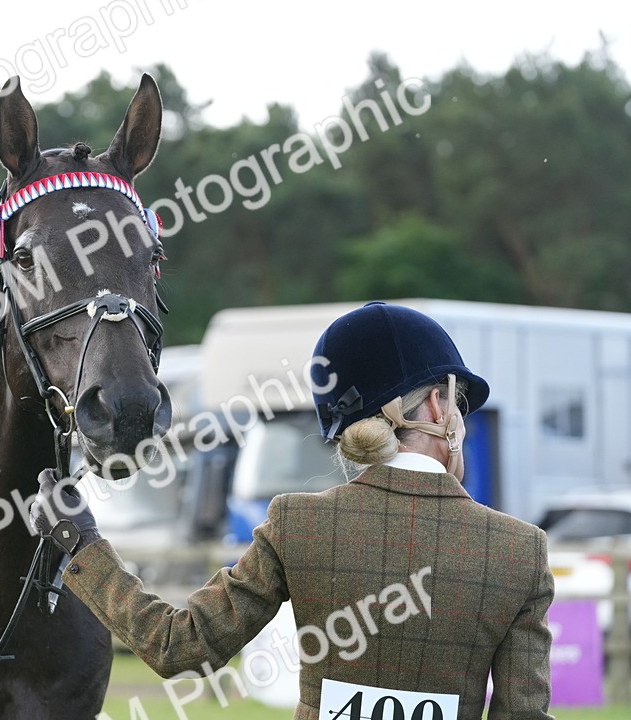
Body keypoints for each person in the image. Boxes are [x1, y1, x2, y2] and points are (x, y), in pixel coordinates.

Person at [32, 301, 553, 720]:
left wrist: (81, 543)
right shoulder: (520, 552)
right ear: (439, 406)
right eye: (459, 404)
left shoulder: (298, 524)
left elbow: (177, 645)